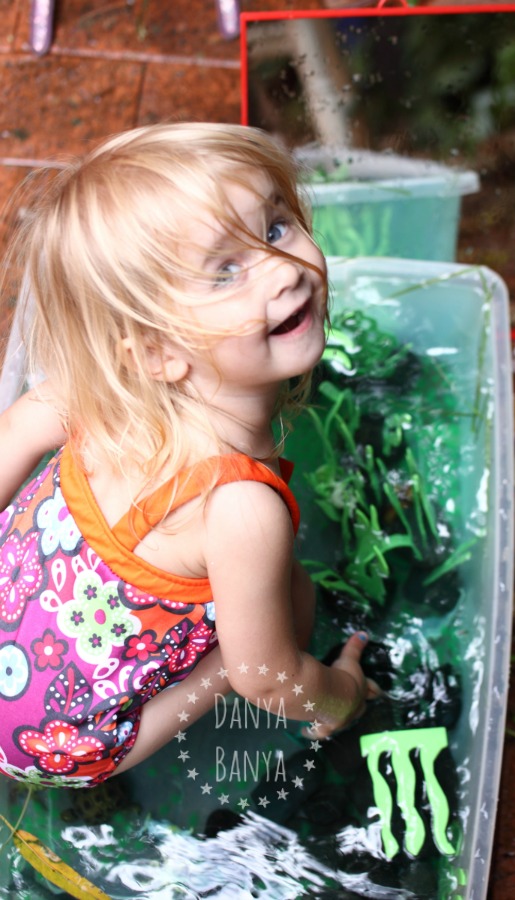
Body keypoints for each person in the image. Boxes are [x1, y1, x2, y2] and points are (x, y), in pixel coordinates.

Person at [0, 122, 378, 789]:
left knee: (282, 592)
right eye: (224, 272)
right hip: (47, 749)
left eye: (275, 228)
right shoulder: (242, 509)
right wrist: (343, 696)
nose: (285, 270)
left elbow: (19, 427)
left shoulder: (88, 392)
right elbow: (267, 679)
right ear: (155, 352)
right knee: (249, 650)